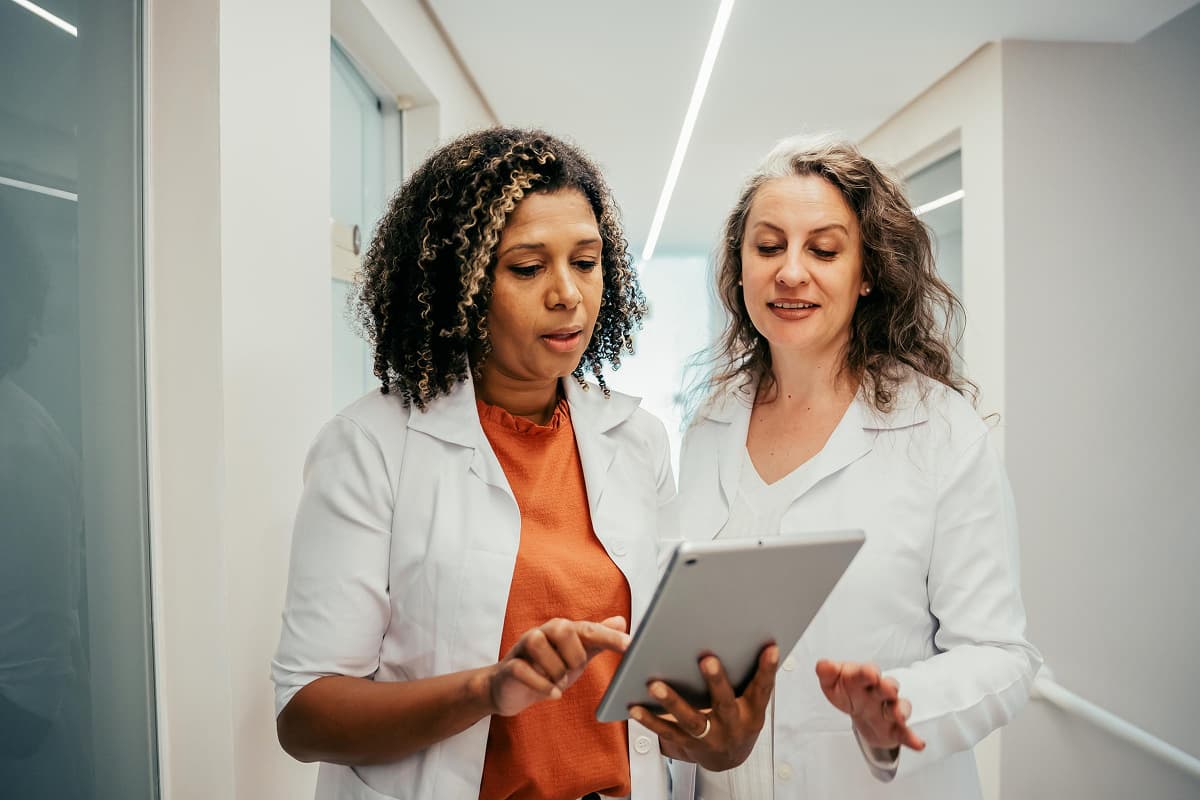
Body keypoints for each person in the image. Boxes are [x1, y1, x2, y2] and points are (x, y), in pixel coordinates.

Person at [271, 127, 775, 800]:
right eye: (528, 268)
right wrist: (488, 688)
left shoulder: (637, 439)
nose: (567, 294)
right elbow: (306, 716)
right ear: (462, 286)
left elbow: (649, 673)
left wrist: (718, 741)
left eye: (587, 262)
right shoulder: (371, 447)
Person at [670, 134, 1041, 799]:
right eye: (768, 246)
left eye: (823, 249)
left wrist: (900, 706)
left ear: (866, 272)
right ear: (741, 267)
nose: (790, 271)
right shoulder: (708, 425)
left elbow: (1002, 656)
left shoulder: (938, 430)